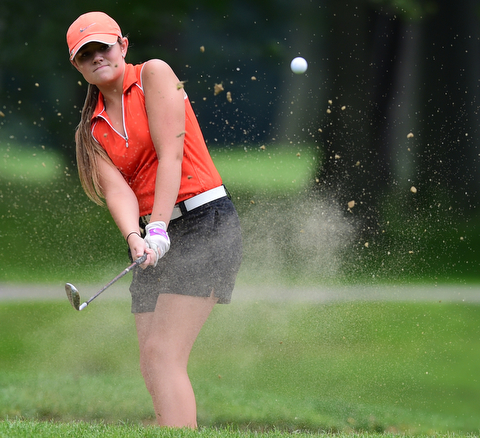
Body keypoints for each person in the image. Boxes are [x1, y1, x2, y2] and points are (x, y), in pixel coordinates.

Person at [66, 11, 242, 428]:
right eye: (85, 54)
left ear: (122, 45)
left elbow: (172, 155)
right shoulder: (92, 130)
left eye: (103, 47)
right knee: (151, 361)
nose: (97, 58)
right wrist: (136, 235)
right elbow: (118, 191)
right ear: (77, 65)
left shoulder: (154, 74)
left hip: (204, 223)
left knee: (164, 354)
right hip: (155, 236)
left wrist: (158, 227)